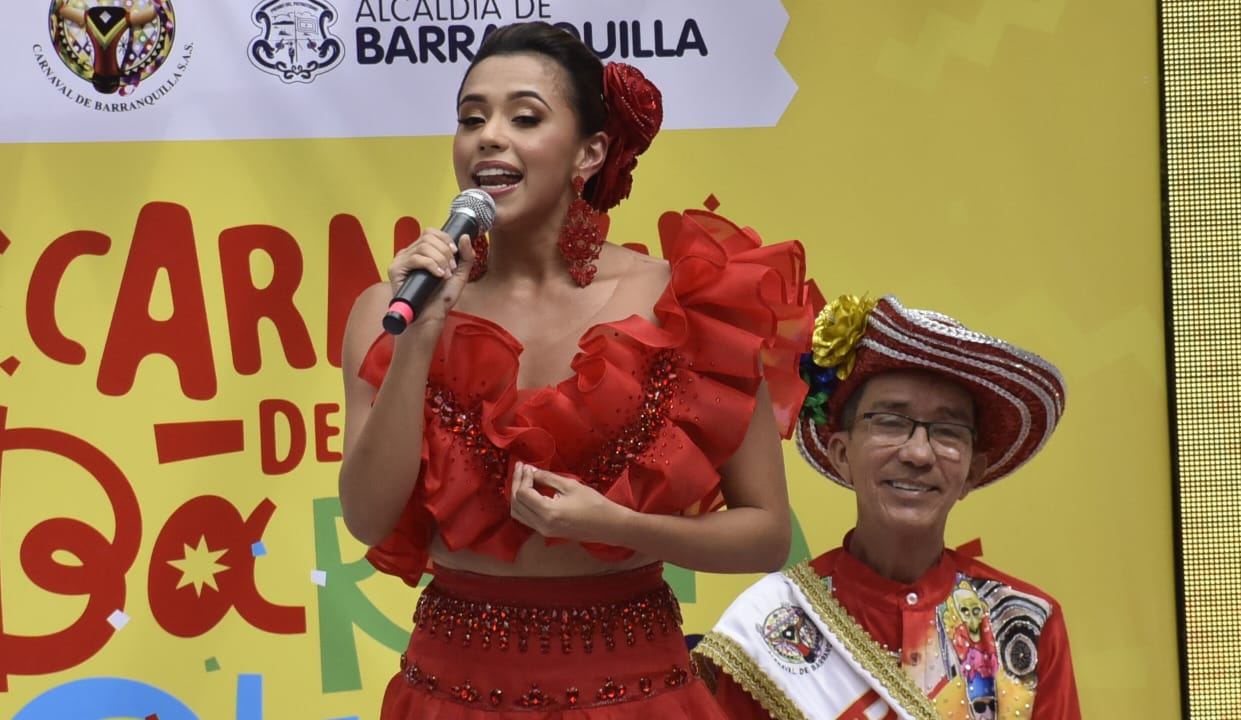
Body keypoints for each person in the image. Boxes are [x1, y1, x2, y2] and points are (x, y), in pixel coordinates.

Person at [338, 21, 813, 719]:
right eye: (472, 118)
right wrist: (422, 336)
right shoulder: (394, 308)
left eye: (524, 117)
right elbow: (368, 519)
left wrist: (625, 526)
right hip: (452, 686)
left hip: (635, 688)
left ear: (589, 151)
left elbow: (766, 533)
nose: (489, 137)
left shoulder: (683, 302)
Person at [693, 293, 1082, 719]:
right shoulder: (767, 624)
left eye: (948, 431)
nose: (918, 453)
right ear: (842, 453)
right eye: (891, 422)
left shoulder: (1026, 621)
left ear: (973, 471)